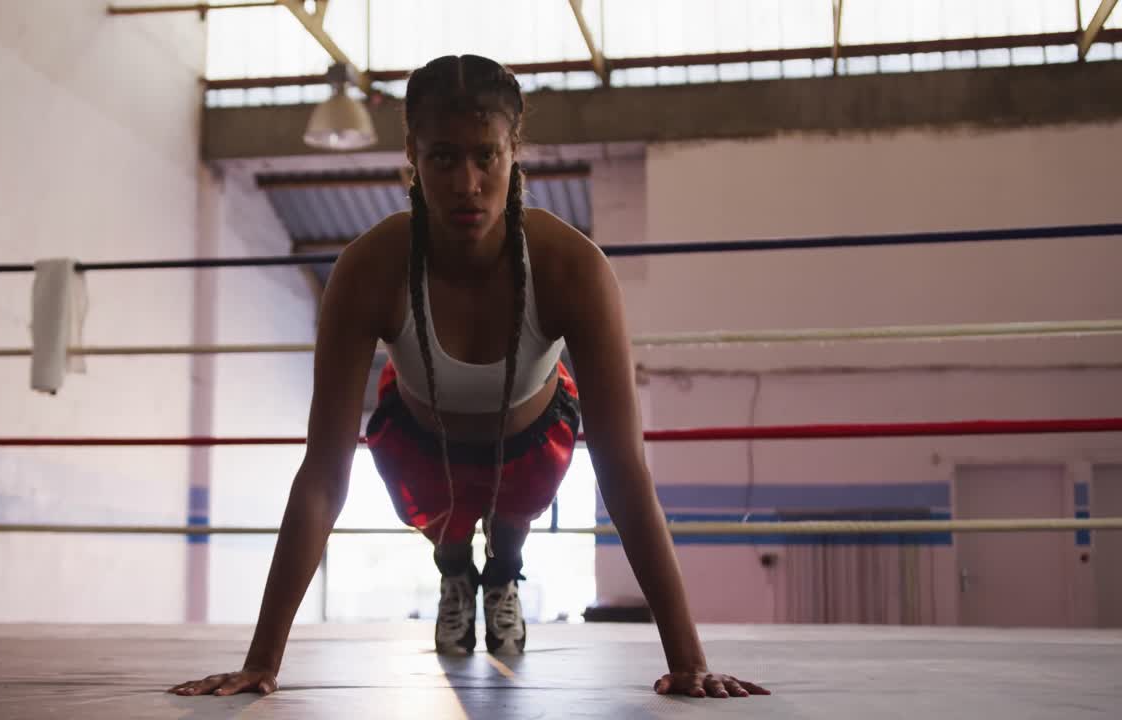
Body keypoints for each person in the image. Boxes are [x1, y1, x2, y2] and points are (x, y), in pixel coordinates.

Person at [169, 54, 769, 700]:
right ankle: (455, 570)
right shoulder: (370, 268)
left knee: (512, 508)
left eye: (487, 156)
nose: (468, 183)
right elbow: (323, 473)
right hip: (419, 446)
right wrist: (263, 660)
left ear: (515, 151)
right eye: (444, 158)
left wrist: (688, 659)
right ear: (411, 155)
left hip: (536, 441)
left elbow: (625, 469)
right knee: (449, 525)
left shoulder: (573, 268)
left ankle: (503, 572)